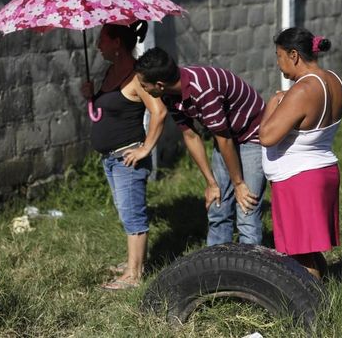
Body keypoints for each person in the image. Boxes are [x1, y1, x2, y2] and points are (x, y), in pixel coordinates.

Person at [133, 47, 266, 245]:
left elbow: (225, 139)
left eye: (144, 85)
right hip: (226, 136)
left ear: (159, 84)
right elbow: (190, 135)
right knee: (217, 206)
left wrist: (239, 184)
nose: (142, 88)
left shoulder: (203, 90)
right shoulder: (168, 94)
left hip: (253, 136)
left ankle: (250, 270)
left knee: (247, 209)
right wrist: (211, 183)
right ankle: (216, 267)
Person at [80, 21, 167, 291]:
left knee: (133, 217)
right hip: (111, 159)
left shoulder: (136, 76)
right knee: (125, 213)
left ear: (117, 43)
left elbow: (159, 111)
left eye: (102, 39)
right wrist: (91, 96)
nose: (97, 45)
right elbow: (110, 108)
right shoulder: (110, 72)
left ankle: (134, 275)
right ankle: (132, 262)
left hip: (128, 158)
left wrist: (145, 148)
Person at [259, 28, 342, 279]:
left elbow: (267, 137)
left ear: (294, 55)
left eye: (279, 56)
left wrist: (273, 104)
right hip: (324, 168)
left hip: (299, 176)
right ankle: (325, 300)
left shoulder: (303, 89)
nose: (278, 64)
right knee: (310, 250)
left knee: (300, 252)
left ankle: (310, 312)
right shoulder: (335, 81)